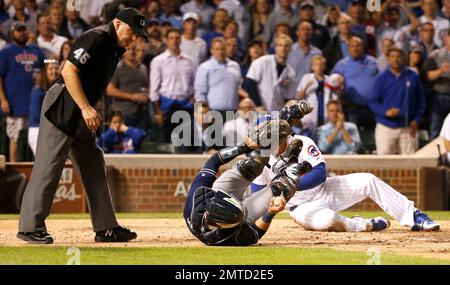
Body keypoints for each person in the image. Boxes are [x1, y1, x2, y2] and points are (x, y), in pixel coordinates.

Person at [17, 8, 147, 244]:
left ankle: (106, 227)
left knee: (93, 162)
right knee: (50, 164)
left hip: (80, 108)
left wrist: (90, 108)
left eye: (138, 34)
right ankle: (29, 227)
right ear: (117, 24)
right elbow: (68, 71)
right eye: (132, 31)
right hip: (63, 104)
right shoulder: (95, 38)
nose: (134, 37)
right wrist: (86, 107)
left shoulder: (114, 47)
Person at [252, 116, 440, 233]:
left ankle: (413, 216)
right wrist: (267, 209)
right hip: (300, 207)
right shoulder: (260, 159)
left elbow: (320, 173)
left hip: (325, 189)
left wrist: (290, 184)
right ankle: (362, 225)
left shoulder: (301, 142)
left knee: (368, 180)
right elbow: (257, 194)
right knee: (329, 220)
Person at [184, 118, 305, 246]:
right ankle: (289, 164)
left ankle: (266, 146)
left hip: (217, 194)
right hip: (236, 219)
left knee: (252, 164)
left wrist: (244, 146)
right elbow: (256, 233)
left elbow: (214, 161)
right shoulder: (228, 237)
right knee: (285, 187)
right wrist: (271, 212)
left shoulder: (198, 196)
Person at [0, 22, 45, 162]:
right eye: (18, 31)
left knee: (35, 140)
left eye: (23, 30)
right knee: (15, 139)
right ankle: (15, 172)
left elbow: (47, 66)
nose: (22, 33)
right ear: (12, 33)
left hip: (34, 105)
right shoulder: (6, 52)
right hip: (15, 104)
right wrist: (3, 100)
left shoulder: (36, 50)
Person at [371, 46, 425, 155]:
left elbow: (421, 100)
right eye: (392, 56)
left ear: (404, 58)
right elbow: (373, 101)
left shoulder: (412, 76)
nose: (396, 59)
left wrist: (417, 120)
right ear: (388, 58)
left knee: (410, 164)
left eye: (399, 56)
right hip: (385, 127)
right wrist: (385, 111)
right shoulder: (380, 78)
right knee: (384, 163)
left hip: (407, 127)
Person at [150, 28, 196, 144]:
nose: (174, 41)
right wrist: (157, 111)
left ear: (180, 40)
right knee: (166, 141)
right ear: (166, 40)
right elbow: (154, 88)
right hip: (166, 106)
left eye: (177, 38)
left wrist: (193, 100)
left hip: (186, 105)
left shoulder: (190, 61)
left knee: (186, 141)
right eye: (171, 38)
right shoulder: (158, 61)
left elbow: (195, 84)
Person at [332, 36, 379, 130]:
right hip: (351, 108)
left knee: (372, 137)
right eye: (352, 46)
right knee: (352, 137)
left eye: (358, 45)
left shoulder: (373, 62)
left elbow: (381, 82)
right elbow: (333, 84)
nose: (355, 48)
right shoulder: (341, 64)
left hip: (372, 107)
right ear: (348, 48)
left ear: (363, 46)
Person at [244, 34, 296, 112]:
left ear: (290, 49)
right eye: (280, 45)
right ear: (275, 47)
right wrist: (258, 104)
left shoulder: (291, 72)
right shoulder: (262, 61)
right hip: (258, 109)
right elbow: (249, 83)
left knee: (275, 125)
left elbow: (288, 97)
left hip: (276, 111)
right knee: (258, 124)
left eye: (286, 46)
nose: (283, 48)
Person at [106, 39, 149, 129]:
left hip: (141, 114)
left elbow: (147, 87)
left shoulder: (143, 68)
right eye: (128, 49)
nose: (132, 52)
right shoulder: (118, 67)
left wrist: (147, 95)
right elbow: (110, 90)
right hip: (123, 114)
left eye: (134, 49)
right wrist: (133, 97)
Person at [194, 37, 241, 116]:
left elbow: (239, 88)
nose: (220, 52)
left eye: (222, 49)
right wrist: (204, 112)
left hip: (233, 112)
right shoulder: (205, 67)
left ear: (226, 49)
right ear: (211, 51)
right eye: (217, 49)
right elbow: (199, 92)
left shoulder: (235, 66)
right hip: (212, 112)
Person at [296, 56, 343, 136]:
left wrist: (340, 87)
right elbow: (299, 97)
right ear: (312, 67)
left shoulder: (330, 80)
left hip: (325, 112)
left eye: (321, 65)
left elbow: (336, 98)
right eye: (316, 65)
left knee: (323, 137)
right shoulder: (307, 78)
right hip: (310, 114)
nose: (319, 67)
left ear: (324, 66)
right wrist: (307, 86)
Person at [28, 59, 59, 155]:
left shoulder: (58, 89)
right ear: (45, 72)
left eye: (56, 68)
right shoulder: (37, 90)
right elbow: (37, 115)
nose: (54, 71)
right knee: (44, 162)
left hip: (52, 130)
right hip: (38, 131)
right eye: (50, 69)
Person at [425, 29, 450, 139]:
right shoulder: (435, 54)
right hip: (438, 96)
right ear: (446, 38)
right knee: (435, 128)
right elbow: (428, 76)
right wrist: (441, 70)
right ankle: (434, 155)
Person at [287, 21, 322, 92]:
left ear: (312, 33)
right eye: (303, 29)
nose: (306, 32)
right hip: (291, 91)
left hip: (311, 92)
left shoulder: (318, 53)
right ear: (297, 32)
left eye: (308, 29)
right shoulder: (289, 50)